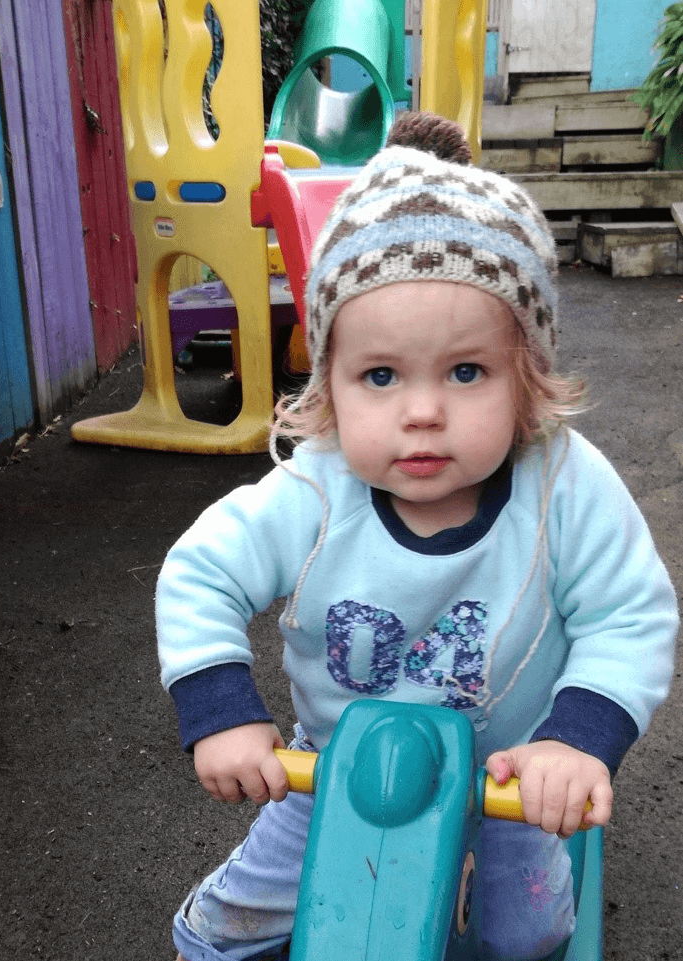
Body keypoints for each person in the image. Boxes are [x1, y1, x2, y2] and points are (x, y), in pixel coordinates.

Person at [156, 112, 678, 961]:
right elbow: (201, 571)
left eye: (466, 371)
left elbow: (629, 614)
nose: (422, 409)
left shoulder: (563, 482)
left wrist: (575, 741)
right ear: (328, 382)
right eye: (380, 375)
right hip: (337, 774)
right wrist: (221, 709)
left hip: (507, 775)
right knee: (225, 930)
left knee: (526, 935)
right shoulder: (315, 486)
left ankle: (498, 876)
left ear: (528, 376)